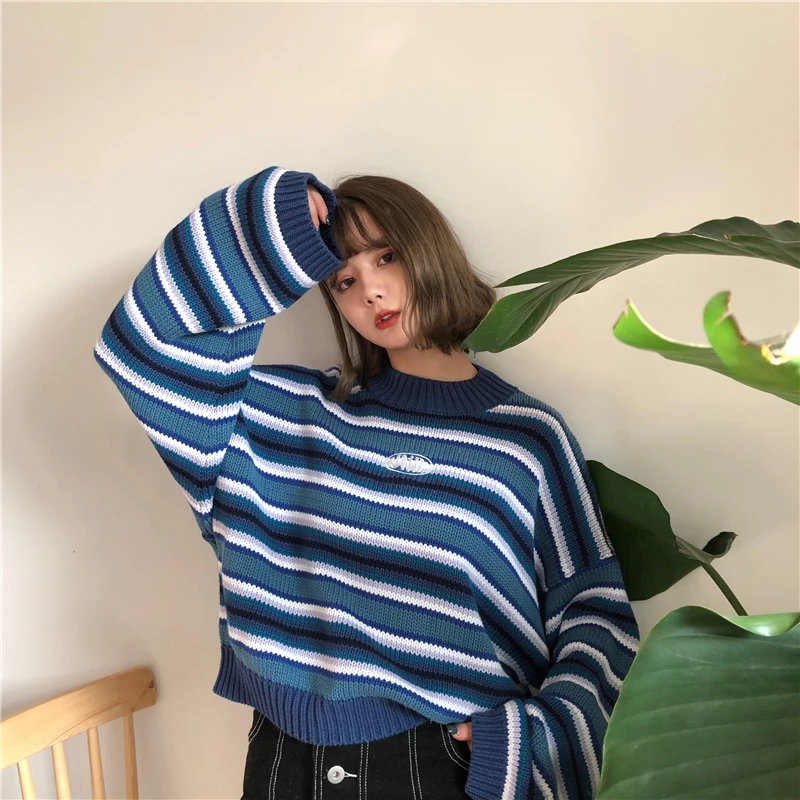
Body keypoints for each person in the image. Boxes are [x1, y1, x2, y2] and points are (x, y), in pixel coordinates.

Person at [94, 165, 641, 800]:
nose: (372, 292)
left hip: (446, 765)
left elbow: (595, 615)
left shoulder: (526, 439)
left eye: (387, 257)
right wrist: (271, 225)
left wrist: (523, 743)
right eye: (345, 280)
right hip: (283, 763)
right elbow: (141, 347)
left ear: (431, 250)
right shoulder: (283, 417)